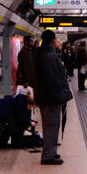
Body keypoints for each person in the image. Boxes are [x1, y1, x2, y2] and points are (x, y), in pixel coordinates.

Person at [34, 30, 72, 165]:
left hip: (45, 96)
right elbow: (52, 80)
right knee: (51, 126)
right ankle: (48, 155)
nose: (57, 42)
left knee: (51, 125)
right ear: (52, 40)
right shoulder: (48, 56)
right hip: (50, 99)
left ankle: (51, 152)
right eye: (56, 40)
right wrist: (58, 99)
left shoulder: (43, 54)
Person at [16, 38, 37, 105]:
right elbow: (22, 67)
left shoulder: (29, 52)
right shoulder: (23, 53)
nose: (32, 43)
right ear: (26, 42)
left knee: (29, 99)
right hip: (25, 81)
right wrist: (25, 81)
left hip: (29, 80)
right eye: (31, 41)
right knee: (25, 99)